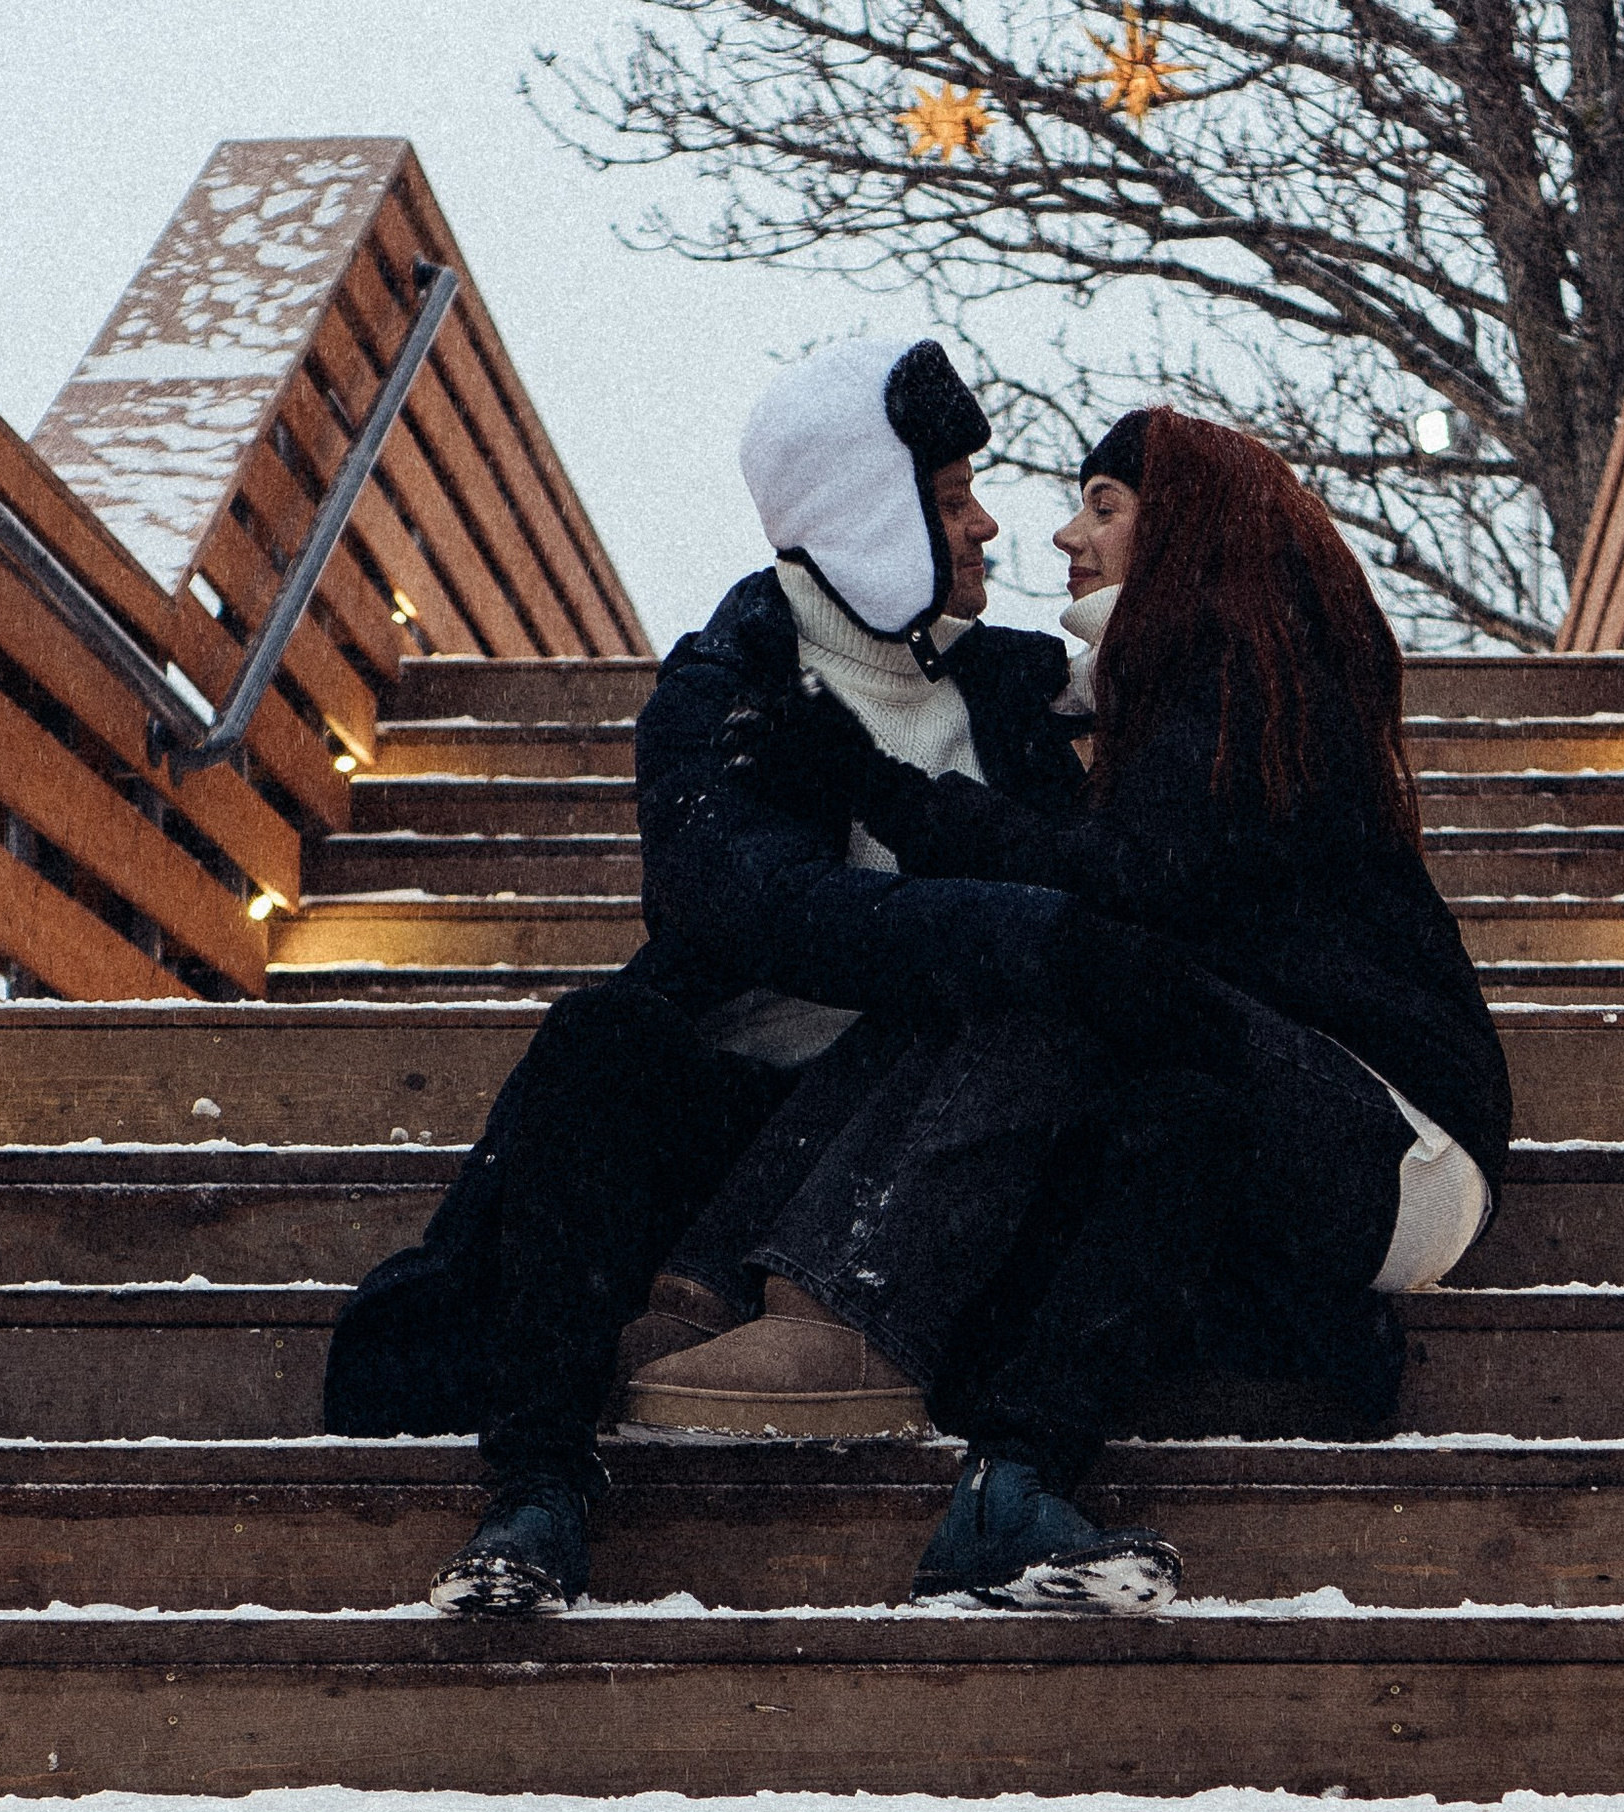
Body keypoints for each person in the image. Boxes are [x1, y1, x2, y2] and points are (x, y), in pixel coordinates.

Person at [634, 405, 1511, 1608]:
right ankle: (739, 1300)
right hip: (1288, 1119)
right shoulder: (1167, 691)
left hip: (1391, 1131)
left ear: (1189, 526)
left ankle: (843, 1312)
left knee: (1041, 957)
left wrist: (870, 782)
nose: (1062, 532)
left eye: (1104, 506)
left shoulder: (1248, 675)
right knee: (1007, 971)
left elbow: (1115, 887)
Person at [321, 333, 1087, 1612]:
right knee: (602, 1039)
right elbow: (745, 906)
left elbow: (1208, 692)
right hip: (742, 1117)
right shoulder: (724, 685)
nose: (987, 526)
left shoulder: (1015, 687)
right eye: (950, 498)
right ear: (867, 511)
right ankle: (538, 1493)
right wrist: (1013, 927)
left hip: (933, 1131)